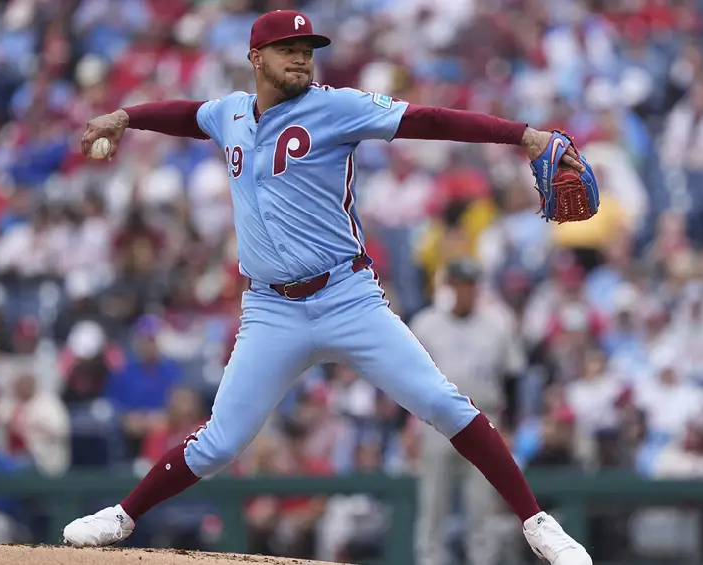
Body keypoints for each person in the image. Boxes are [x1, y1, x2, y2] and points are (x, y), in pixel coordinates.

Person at [63, 10, 591, 565]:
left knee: (442, 402)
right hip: (271, 309)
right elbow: (187, 115)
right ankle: (122, 516)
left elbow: (429, 119)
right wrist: (126, 116)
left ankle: (539, 525)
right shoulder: (231, 113)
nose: (300, 57)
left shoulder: (337, 107)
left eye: (307, 49)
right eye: (287, 48)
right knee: (219, 442)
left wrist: (524, 135)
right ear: (255, 57)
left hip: (346, 296)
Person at [409, 259, 525, 565]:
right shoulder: (426, 324)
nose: (465, 290)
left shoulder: (498, 322)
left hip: (484, 416)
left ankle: (482, 561)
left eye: (470, 284)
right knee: (433, 504)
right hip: (436, 421)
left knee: (481, 505)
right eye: (459, 284)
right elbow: (407, 377)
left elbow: (512, 379)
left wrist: (510, 427)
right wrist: (403, 426)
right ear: (448, 287)